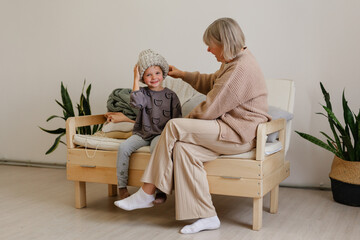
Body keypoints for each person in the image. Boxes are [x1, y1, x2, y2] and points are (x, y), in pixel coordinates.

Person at [113, 18, 271, 234]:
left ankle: (147, 191)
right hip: (228, 129)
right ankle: (207, 215)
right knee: (182, 150)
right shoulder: (233, 61)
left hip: (238, 134)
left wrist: (183, 122)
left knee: (173, 126)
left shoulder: (240, 69)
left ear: (224, 43)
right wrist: (183, 74)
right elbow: (211, 82)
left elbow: (209, 109)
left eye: (211, 44)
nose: (208, 49)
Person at [109, 49, 182, 200]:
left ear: (163, 74)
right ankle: (122, 186)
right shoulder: (142, 93)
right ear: (143, 77)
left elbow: (177, 119)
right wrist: (135, 78)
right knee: (123, 147)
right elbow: (135, 103)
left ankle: (160, 190)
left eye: (156, 73)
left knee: (158, 150)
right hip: (142, 133)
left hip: (161, 134)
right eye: (148, 74)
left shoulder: (171, 95)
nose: (153, 77)